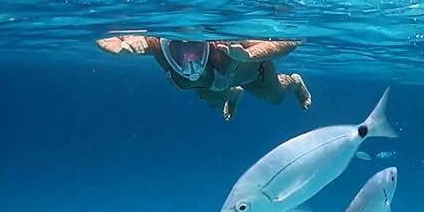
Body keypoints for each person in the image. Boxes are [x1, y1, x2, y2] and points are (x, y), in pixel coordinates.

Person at [96, 36, 311, 121]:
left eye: (195, 49)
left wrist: (249, 54)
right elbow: (111, 39)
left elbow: (290, 41)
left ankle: (294, 82)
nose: (189, 59)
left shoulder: (225, 42)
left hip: (253, 75)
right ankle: (232, 94)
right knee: (212, 100)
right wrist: (121, 47)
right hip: (217, 85)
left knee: (275, 97)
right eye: (178, 49)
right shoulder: (155, 45)